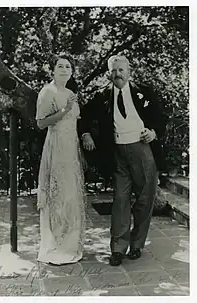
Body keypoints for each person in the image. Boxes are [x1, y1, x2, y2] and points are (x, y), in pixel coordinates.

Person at [80, 55, 166, 266]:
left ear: (129, 71)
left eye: (121, 70)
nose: (117, 74)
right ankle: (118, 248)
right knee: (120, 200)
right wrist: (85, 134)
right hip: (117, 153)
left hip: (143, 150)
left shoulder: (144, 92)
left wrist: (153, 133)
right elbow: (81, 115)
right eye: (114, 70)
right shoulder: (102, 96)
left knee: (145, 199)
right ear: (108, 74)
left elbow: (161, 119)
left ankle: (136, 245)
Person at [36, 54, 86, 265]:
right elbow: (40, 123)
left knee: (70, 195)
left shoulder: (71, 92)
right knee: (57, 195)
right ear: (53, 70)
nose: (64, 69)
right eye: (60, 66)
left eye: (68, 66)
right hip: (56, 147)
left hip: (71, 149)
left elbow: (75, 125)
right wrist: (64, 110)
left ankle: (70, 244)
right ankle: (55, 245)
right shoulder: (48, 92)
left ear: (72, 71)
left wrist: (80, 152)